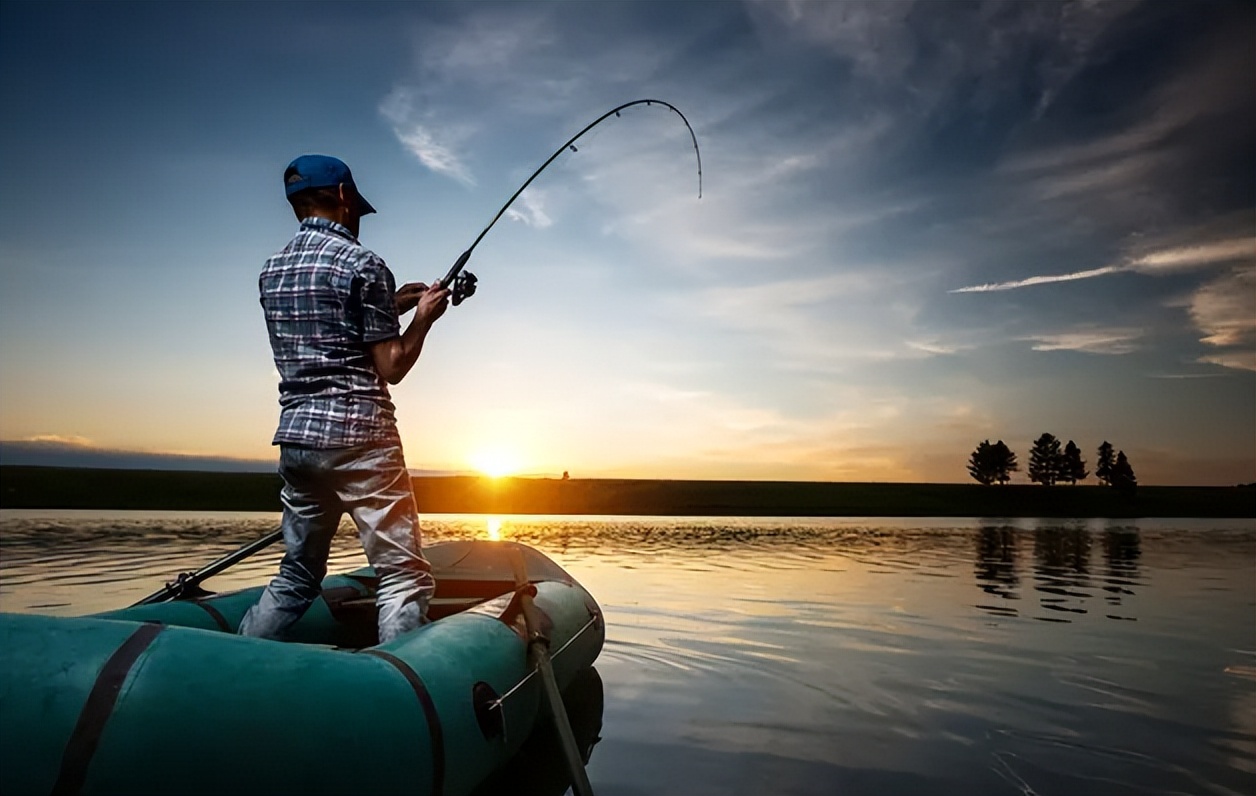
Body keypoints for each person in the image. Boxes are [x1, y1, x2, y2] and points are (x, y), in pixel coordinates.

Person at [239, 154, 450, 644]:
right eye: (356, 205)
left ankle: (235, 658)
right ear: (342, 197)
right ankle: (400, 686)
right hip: (361, 439)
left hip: (297, 441)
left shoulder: (272, 272)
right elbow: (392, 366)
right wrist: (423, 318)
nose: (356, 215)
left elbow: (324, 327)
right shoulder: (363, 263)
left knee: (297, 576)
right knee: (402, 575)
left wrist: (389, 303)